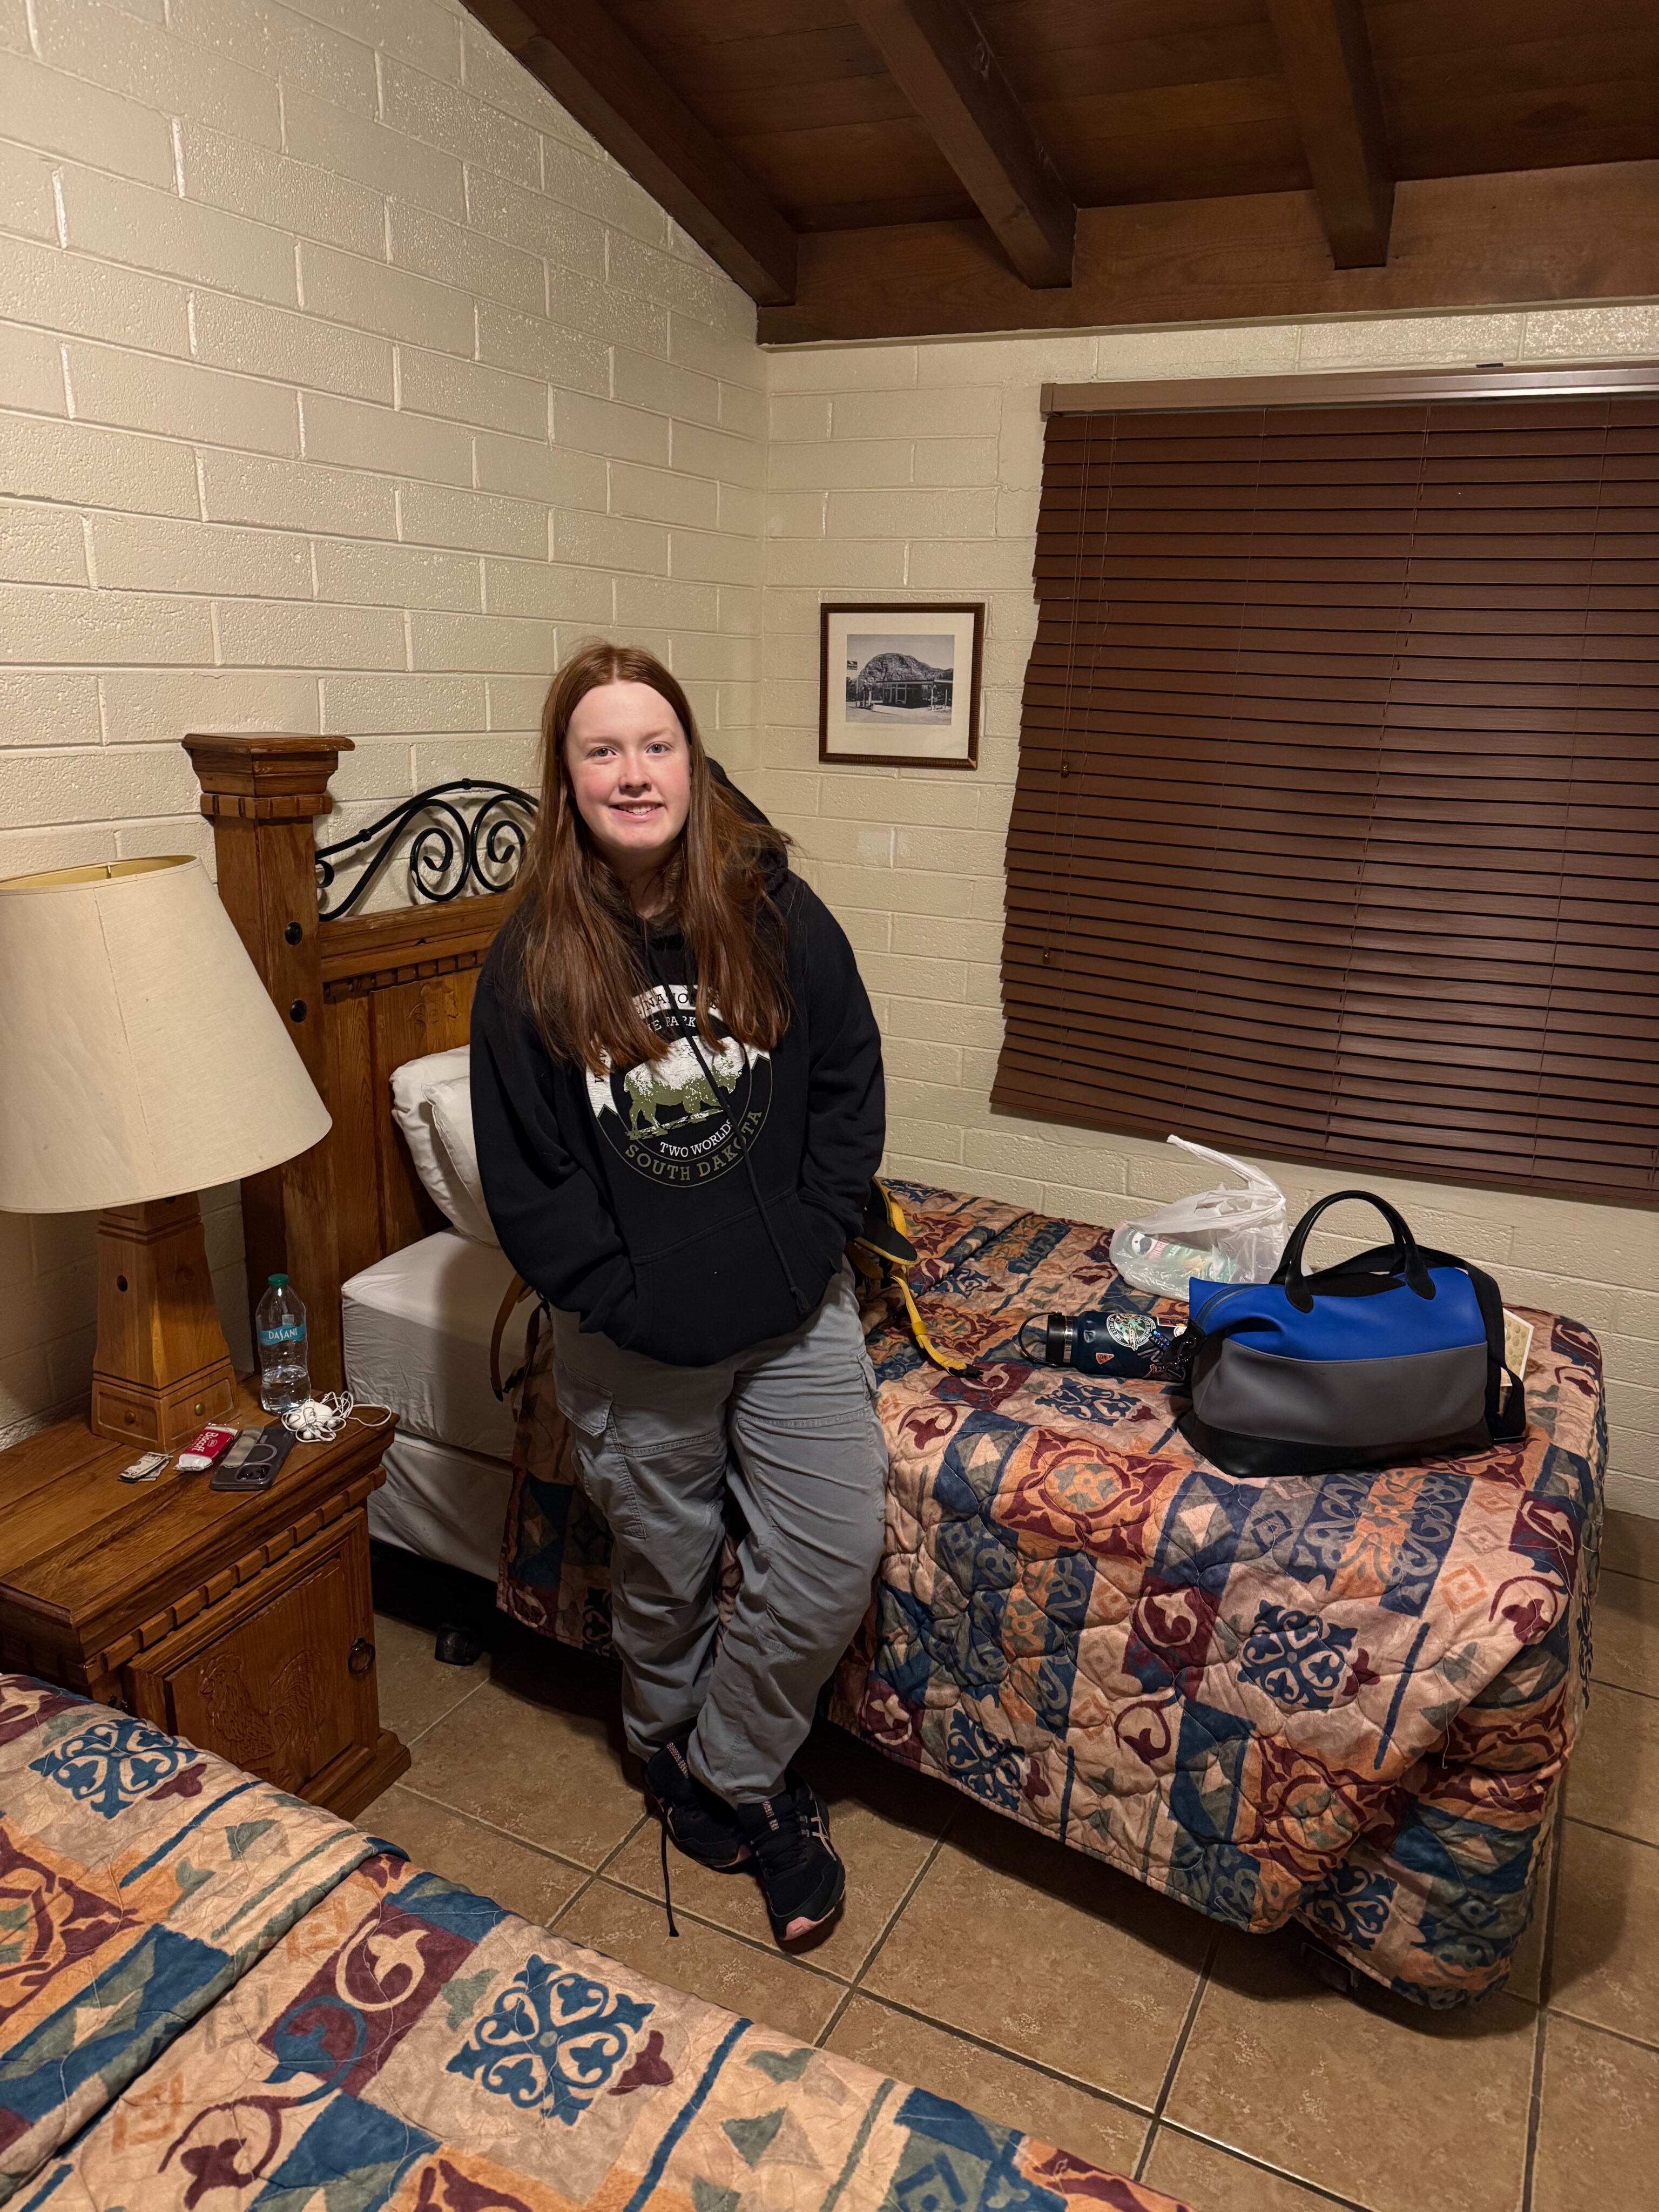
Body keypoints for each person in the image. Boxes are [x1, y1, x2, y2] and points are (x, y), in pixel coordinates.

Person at [470, 640, 888, 1945]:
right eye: (603, 749)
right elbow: (530, 1189)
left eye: (658, 744)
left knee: (830, 1558)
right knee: (665, 1570)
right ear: (567, 775)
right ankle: (670, 1750)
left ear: (694, 763)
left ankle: (726, 1769)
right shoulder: (532, 961)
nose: (634, 771)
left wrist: (817, 1234)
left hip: (792, 1313)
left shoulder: (772, 909)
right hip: (637, 1341)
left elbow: (848, 1084)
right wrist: (628, 1297)